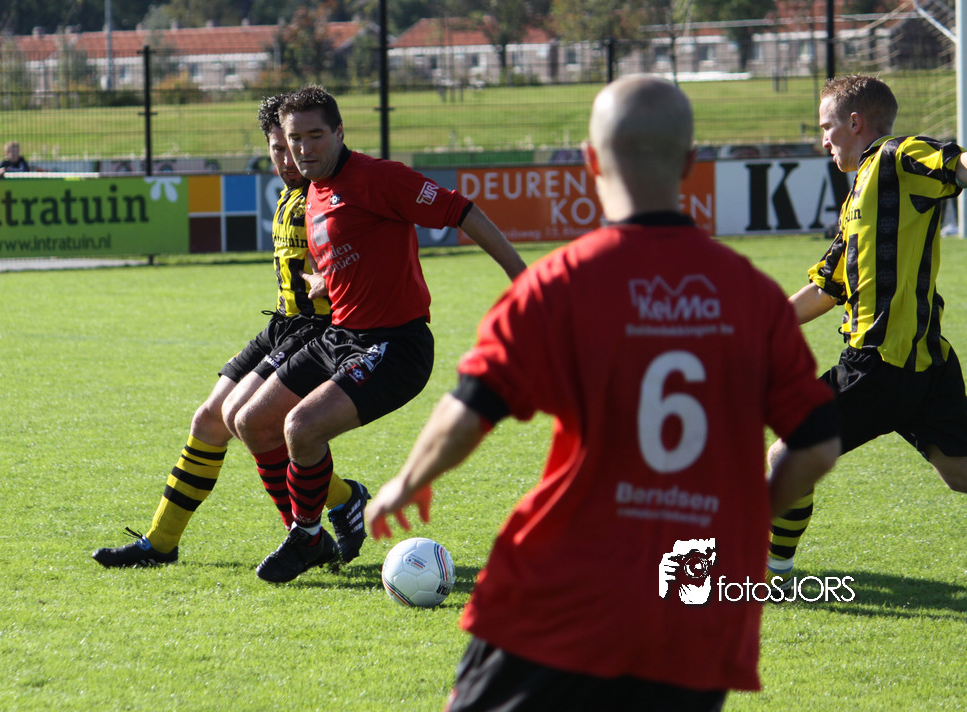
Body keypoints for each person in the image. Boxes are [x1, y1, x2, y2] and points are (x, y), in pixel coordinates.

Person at [365, 76, 842, 711]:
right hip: (693, 599)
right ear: (690, 162)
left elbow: (469, 409)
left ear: (590, 160)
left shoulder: (562, 283)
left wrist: (408, 480)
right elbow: (816, 446)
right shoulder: (750, 295)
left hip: (564, 587)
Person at [233, 84, 527, 584]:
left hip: (394, 345)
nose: (304, 148)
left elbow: (462, 211)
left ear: (340, 131)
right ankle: (314, 530)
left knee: (301, 428)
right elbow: (354, 256)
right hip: (341, 335)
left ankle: (306, 535)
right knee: (252, 421)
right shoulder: (315, 192)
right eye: (294, 138)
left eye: (315, 135)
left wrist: (522, 278)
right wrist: (324, 283)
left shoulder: (379, 178)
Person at [93, 94, 370, 569]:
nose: (289, 158)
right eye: (278, 149)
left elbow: (364, 255)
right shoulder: (290, 193)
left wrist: (334, 280)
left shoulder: (331, 196)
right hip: (282, 324)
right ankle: (161, 542)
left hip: (317, 331)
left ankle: (315, 528)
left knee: (254, 425)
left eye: (294, 146)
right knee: (208, 421)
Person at [766, 75, 967, 578]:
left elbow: (954, 163)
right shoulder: (859, 195)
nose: (823, 140)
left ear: (855, 122)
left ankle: (774, 569)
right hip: (926, 365)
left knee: (788, 452)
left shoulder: (895, 157)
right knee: (960, 473)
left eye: (826, 127)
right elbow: (828, 287)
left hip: (877, 365)